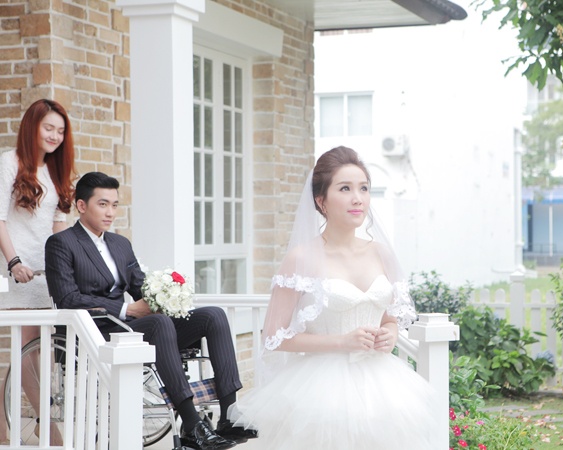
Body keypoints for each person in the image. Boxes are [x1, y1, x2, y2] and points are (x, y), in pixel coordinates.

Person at [228, 146, 438, 449]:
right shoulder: (302, 258)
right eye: (345, 188)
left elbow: (390, 318)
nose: (358, 198)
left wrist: (390, 334)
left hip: (382, 388)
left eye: (363, 188)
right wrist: (342, 342)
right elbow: (273, 337)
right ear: (321, 201)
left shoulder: (381, 254)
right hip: (321, 391)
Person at [44, 172, 257, 450]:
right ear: (82, 205)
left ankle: (229, 416)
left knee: (213, 315)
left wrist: (168, 295)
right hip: (96, 332)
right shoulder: (62, 243)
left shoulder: (120, 244)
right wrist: (127, 308)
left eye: (115, 205)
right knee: (158, 324)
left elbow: (141, 287)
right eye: (103, 204)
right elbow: (68, 298)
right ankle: (192, 424)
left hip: (132, 328)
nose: (110, 213)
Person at [0, 99, 76, 445]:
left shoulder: (56, 171)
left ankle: (9, 419)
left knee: (36, 351)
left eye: (60, 131)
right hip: (17, 271)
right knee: (28, 351)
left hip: (47, 274)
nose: (55, 136)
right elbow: (0, 220)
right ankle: (50, 428)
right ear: (32, 127)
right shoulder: (9, 162)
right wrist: (13, 262)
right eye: (49, 128)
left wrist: (70, 264)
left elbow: (59, 227)